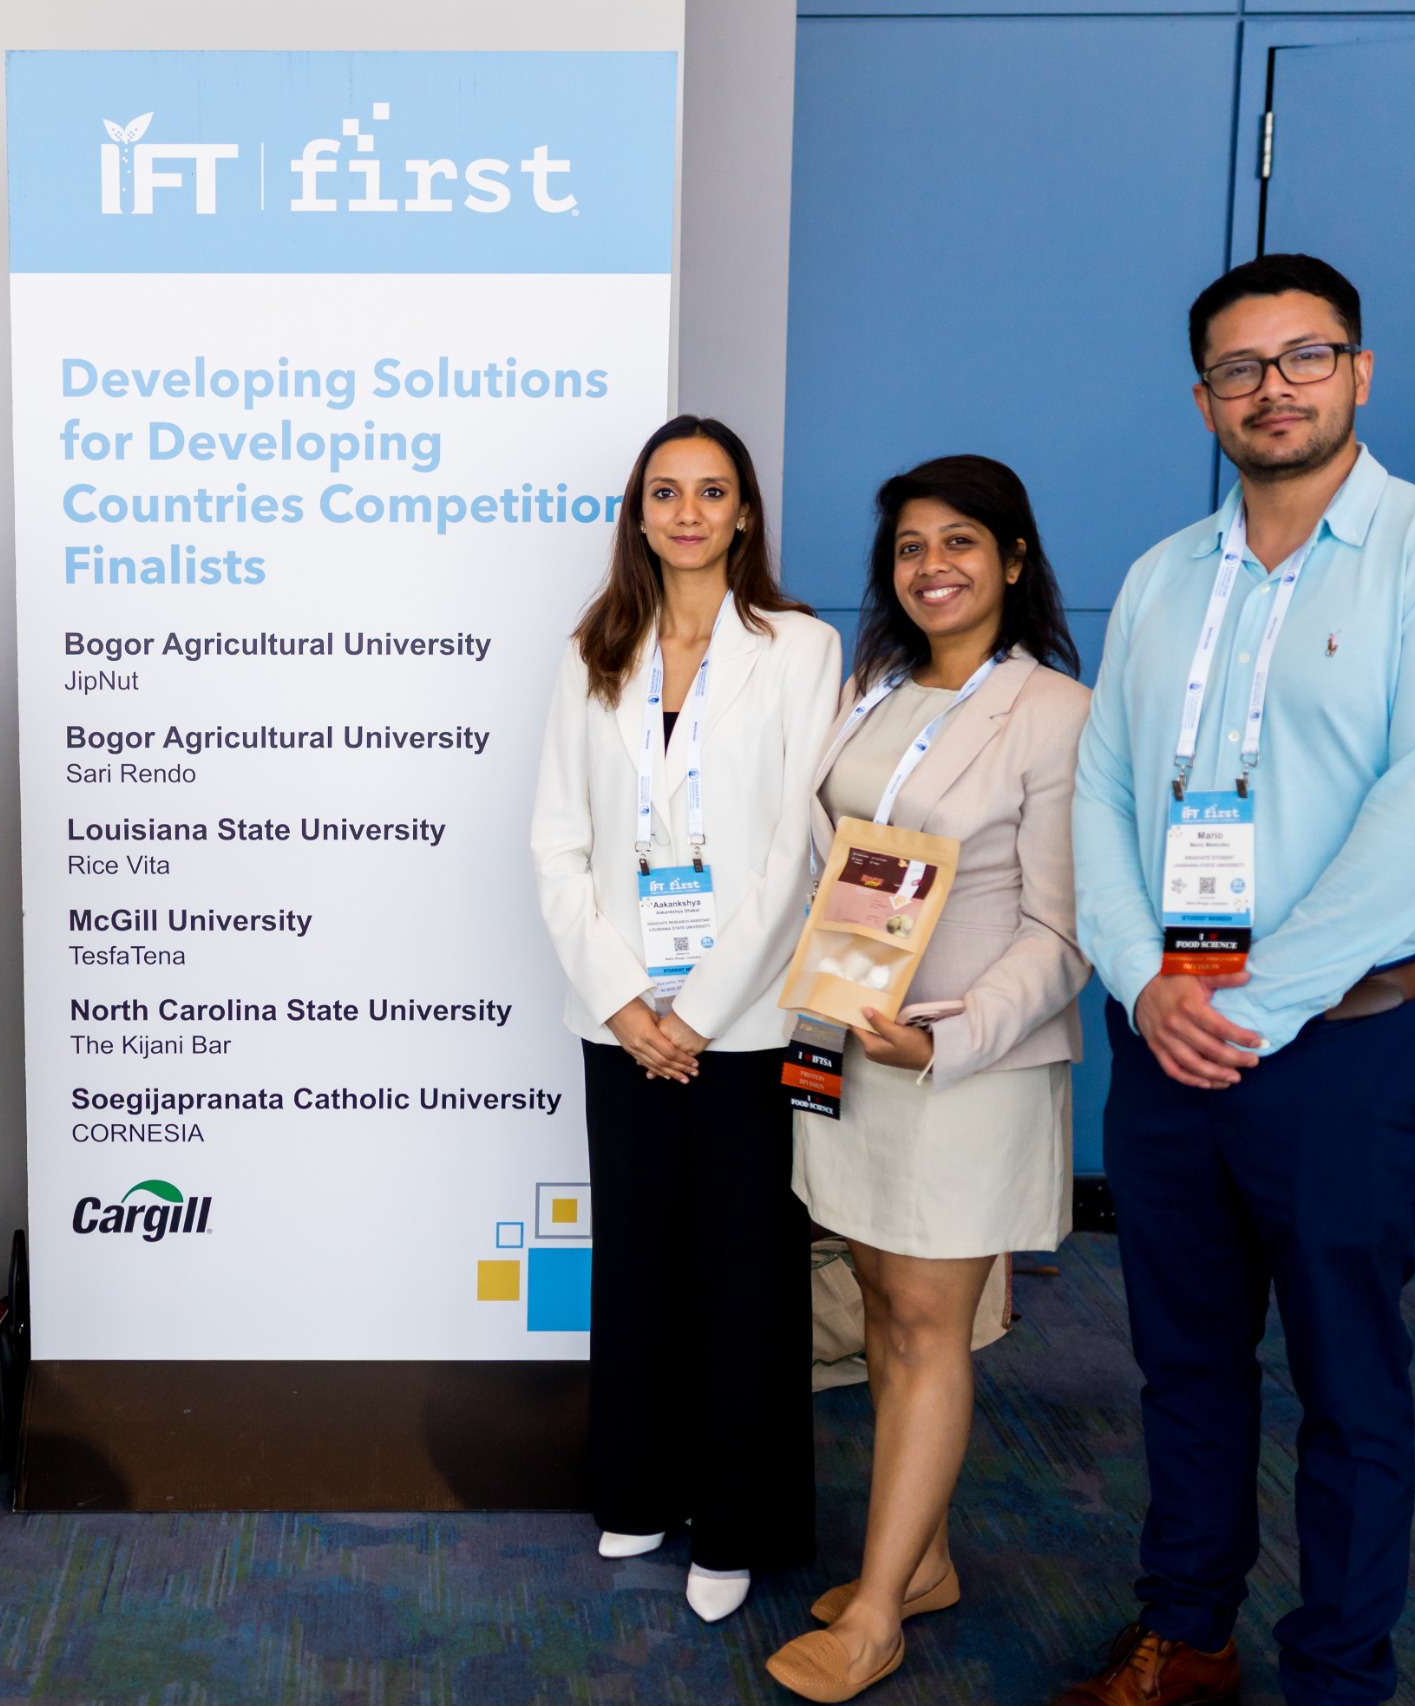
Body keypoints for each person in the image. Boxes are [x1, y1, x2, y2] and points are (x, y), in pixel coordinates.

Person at [1056, 255, 1415, 1706]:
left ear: (1360, 371)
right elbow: (1103, 790)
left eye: (1305, 356)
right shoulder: (1157, 577)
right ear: (1203, 397)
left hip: (1343, 1051)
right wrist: (1142, 981)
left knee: (1346, 1381)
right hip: (1167, 1043)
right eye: (1241, 369)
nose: (1275, 389)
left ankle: (1336, 1672)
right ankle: (1186, 1636)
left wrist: (1243, 1007)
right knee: (1185, 1366)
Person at [761, 456, 1089, 1702]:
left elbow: (1065, 931)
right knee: (885, 1302)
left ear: (1012, 557)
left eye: (961, 540)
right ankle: (931, 1553)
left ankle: (881, 1609)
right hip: (851, 1042)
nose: (931, 565)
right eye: (908, 545)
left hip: (964, 1065)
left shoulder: (1056, 710)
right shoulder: (872, 691)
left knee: (924, 1323)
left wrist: (945, 1039)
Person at [528, 414, 841, 1623]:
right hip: (618, 1020)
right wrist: (622, 997)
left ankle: (737, 1517)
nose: (690, 511)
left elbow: (791, 852)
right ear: (640, 513)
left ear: (745, 511)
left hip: (745, 1021)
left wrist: (699, 1011)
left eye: (713, 491)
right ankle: (641, 1485)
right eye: (667, 491)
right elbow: (556, 839)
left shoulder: (799, 647)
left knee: (744, 1276)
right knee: (642, 1260)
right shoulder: (595, 648)